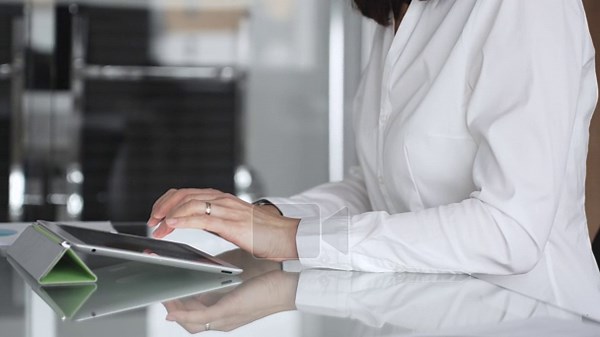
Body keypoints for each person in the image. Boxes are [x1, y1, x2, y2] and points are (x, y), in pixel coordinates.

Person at [147, 0, 600, 304]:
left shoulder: (527, 8)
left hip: (533, 314)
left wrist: (292, 237)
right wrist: (257, 220)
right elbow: (376, 189)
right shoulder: (396, 17)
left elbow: (510, 230)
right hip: (414, 312)